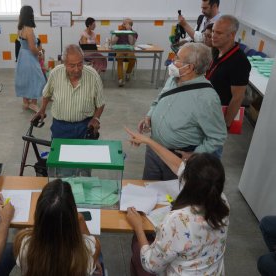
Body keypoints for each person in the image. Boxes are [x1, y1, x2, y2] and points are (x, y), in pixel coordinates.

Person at [124, 128, 230, 276]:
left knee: (138, 245)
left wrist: (138, 227)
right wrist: (148, 140)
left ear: (189, 183)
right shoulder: (222, 201)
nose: (184, 161)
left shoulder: (178, 219)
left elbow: (151, 264)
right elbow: (177, 165)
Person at [137, 42, 227, 180]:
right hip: (154, 150)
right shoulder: (173, 79)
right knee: (149, 188)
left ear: (190, 67)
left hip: (177, 158)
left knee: (171, 197)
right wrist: (150, 115)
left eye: (177, 58)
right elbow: (158, 100)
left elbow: (217, 136)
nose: (172, 61)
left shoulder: (206, 98)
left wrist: (196, 154)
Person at [13, 179, 102, 276]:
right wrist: (80, 218)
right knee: (99, 257)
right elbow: (90, 245)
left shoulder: (22, 242)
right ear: (72, 213)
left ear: (38, 214)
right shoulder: (88, 250)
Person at [34, 44, 105, 139]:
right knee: (59, 153)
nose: (76, 69)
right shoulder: (55, 74)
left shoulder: (93, 76)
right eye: (72, 65)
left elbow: (100, 103)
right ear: (64, 63)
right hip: (60, 127)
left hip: (85, 126)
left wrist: (96, 119)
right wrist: (42, 110)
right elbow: (47, 94)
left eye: (80, 64)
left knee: (85, 153)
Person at [207, 15, 251, 129]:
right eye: (213, 31)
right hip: (208, 109)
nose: (213, 36)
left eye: (219, 33)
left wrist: (226, 124)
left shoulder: (240, 61)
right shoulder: (217, 50)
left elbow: (238, 97)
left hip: (218, 116)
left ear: (232, 35)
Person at [15, 5, 46, 112]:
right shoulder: (29, 29)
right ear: (30, 15)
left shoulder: (20, 28)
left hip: (22, 55)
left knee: (25, 79)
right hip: (29, 56)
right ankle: (33, 103)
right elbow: (32, 48)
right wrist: (40, 53)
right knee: (37, 79)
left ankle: (25, 102)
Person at [111, 18, 137, 87]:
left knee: (133, 58)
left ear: (130, 25)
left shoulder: (134, 33)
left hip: (129, 49)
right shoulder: (120, 31)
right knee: (120, 58)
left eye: (125, 23)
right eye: (123, 23)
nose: (123, 24)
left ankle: (128, 73)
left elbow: (131, 43)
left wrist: (128, 31)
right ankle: (120, 79)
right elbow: (113, 43)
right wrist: (116, 35)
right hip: (120, 49)